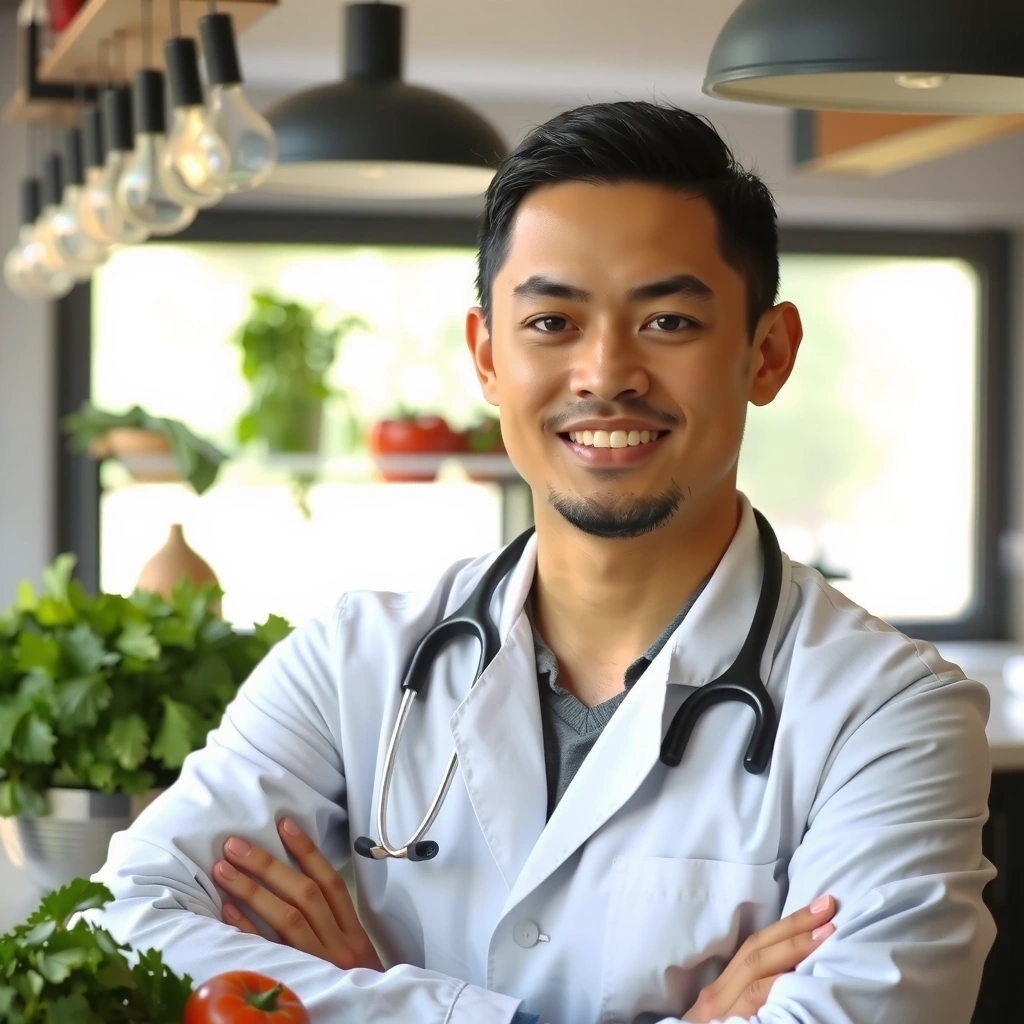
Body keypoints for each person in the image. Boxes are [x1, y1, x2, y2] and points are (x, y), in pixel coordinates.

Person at [85, 101, 996, 1024]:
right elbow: (118, 925)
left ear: (768, 354)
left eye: (670, 321)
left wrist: (364, 1001)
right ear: (486, 356)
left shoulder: (890, 715)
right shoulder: (351, 664)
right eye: (553, 321)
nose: (605, 373)